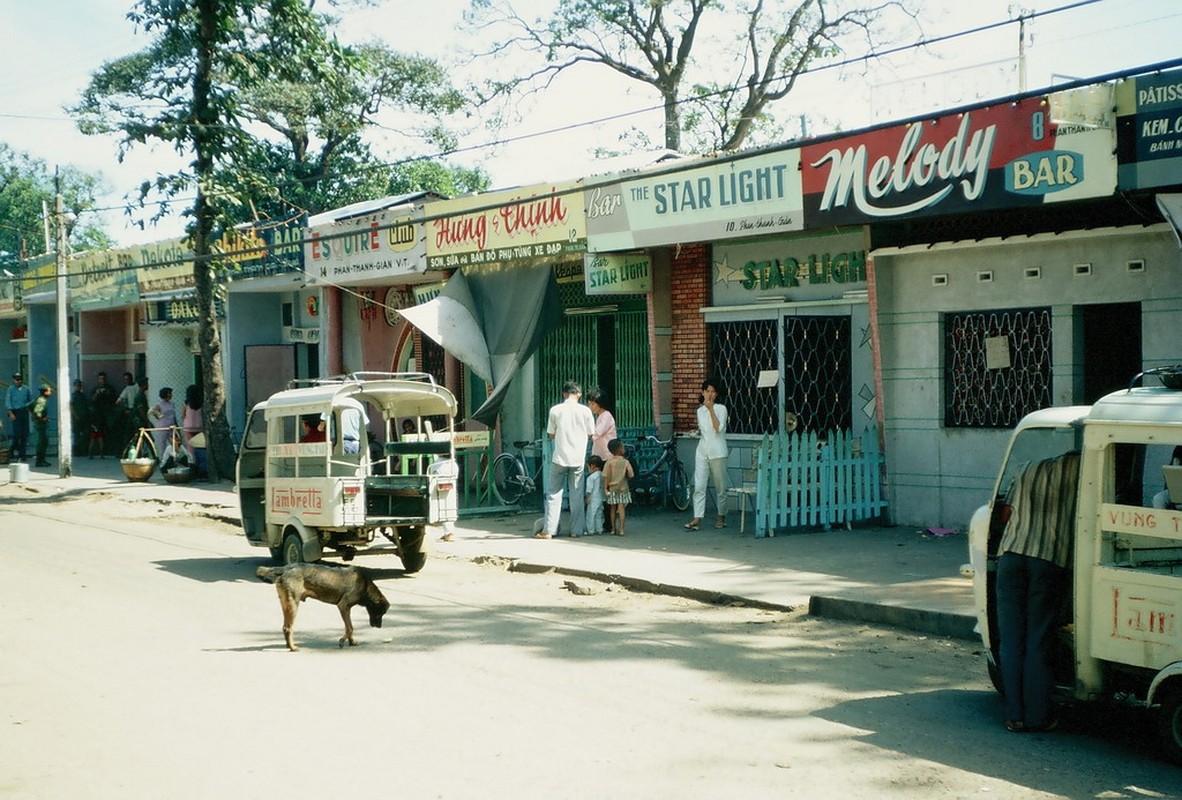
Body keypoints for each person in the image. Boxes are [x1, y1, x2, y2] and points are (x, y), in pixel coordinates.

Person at [996, 451, 1081, 734]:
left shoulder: (1026, 465)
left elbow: (1006, 512)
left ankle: (1014, 716)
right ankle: (1037, 717)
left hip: (1011, 555)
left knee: (1010, 640)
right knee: (1038, 639)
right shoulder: (1081, 468)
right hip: (1049, 557)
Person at [537, 380, 595, 540]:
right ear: (579, 394)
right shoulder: (586, 411)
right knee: (576, 494)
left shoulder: (555, 410)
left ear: (564, 394)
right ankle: (576, 531)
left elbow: (551, 434)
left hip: (559, 458)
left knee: (553, 494)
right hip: (578, 459)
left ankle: (549, 530)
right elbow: (592, 433)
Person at [685, 378, 729, 531]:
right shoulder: (699, 411)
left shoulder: (721, 409)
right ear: (703, 392)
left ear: (716, 394)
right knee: (699, 485)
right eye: (707, 391)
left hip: (718, 452)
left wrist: (711, 409)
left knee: (720, 486)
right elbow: (705, 431)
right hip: (702, 450)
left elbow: (718, 428)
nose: (710, 394)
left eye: (713, 392)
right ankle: (697, 517)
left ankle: (721, 515)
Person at [587, 388, 618, 532]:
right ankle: (605, 524)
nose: (590, 407)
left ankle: (609, 524)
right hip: (602, 457)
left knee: (605, 492)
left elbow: (595, 433)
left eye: (592, 404)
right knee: (602, 491)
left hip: (606, 458)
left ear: (599, 404)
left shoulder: (605, 416)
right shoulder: (601, 416)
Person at [602, 438, 634, 536]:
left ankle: (613, 529)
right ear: (620, 449)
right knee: (621, 509)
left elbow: (605, 476)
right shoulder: (626, 462)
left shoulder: (609, 462)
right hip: (623, 488)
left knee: (612, 509)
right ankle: (621, 529)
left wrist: (605, 488)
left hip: (612, 489)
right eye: (623, 446)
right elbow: (631, 474)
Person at [5, 372, 33, 463]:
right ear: (13, 380)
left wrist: (30, 410)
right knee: (17, 434)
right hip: (15, 412)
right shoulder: (11, 389)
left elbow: (30, 400)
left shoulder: (26, 389)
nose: (18, 381)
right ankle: (12, 450)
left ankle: (22, 454)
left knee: (24, 434)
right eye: (16, 379)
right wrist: (10, 412)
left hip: (24, 411)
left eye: (20, 379)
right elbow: (8, 401)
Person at [91, 371, 117, 456]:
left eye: (104, 379)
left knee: (110, 431)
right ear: (98, 380)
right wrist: (96, 394)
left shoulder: (110, 389)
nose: (102, 380)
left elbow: (115, 400)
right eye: (101, 379)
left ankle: (110, 450)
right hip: (98, 414)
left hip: (108, 413)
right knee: (98, 433)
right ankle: (98, 451)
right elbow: (92, 401)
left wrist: (109, 395)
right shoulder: (95, 389)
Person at [149, 386, 177, 457]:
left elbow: (174, 415)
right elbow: (152, 412)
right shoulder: (159, 404)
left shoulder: (172, 404)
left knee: (174, 443)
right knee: (162, 444)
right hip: (163, 426)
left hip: (171, 426)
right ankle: (162, 459)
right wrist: (158, 416)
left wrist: (176, 425)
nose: (171, 395)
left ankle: (174, 458)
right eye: (170, 393)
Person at [1151, 445, 1182, 509]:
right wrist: (1176, 463)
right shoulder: (1179, 448)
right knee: (1159, 499)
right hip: (1177, 490)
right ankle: (1162, 518)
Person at [30, 383, 53, 467]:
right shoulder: (42, 400)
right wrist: (42, 419)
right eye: (49, 390)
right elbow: (37, 412)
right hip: (41, 424)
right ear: (45, 392)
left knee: (43, 442)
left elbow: (29, 406)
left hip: (39, 423)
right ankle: (40, 461)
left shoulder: (38, 399)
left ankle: (41, 460)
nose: (50, 392)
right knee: (43, 442)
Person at [584, 455, 606, 535]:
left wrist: (587, 498)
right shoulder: (602, 475)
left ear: (592, 466)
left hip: (593, 498)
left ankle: (591, 530)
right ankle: (599, 529)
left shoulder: (591, 477)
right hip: (601, 498)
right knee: (599, 514)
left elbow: (589, 490)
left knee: (590, 514)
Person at [181, 384, 203, 460]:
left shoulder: (186, 403)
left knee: (190, 447)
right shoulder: (201, 403)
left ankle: (191, 462)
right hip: (199, 427)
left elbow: (183, 415)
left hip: (188, 427)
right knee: (199, 445)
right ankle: (200, 462)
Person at [70, 379, 90, 455]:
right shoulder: (74, 395)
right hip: (76, 418)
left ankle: (81, 449)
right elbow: (71, 406)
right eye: (77, 385)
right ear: (74, 386)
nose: (79, 387)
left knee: (85, 433)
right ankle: (76, 450)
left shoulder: (82, 395)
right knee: (76, 434)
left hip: (84, 417)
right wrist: (75, 415)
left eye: (80, 385)